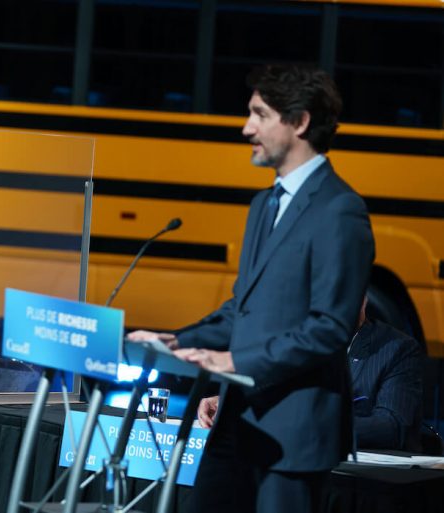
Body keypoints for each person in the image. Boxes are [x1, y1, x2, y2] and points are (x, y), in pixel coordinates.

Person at [129, 64, 375, 512]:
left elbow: (329, 329)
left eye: (260, 114)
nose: (247, 128)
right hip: (236, 420)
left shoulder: (341, 210)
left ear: (299, 122)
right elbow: (242, 308)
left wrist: (236, 359)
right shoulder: (264, 204)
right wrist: (178, 340)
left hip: (293, 436)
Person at [351, 296, 423, 452]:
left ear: (363, 299)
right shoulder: (298, 346)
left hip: (363, 469)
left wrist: (325, 428)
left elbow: (391, 427)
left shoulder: (396, 349)